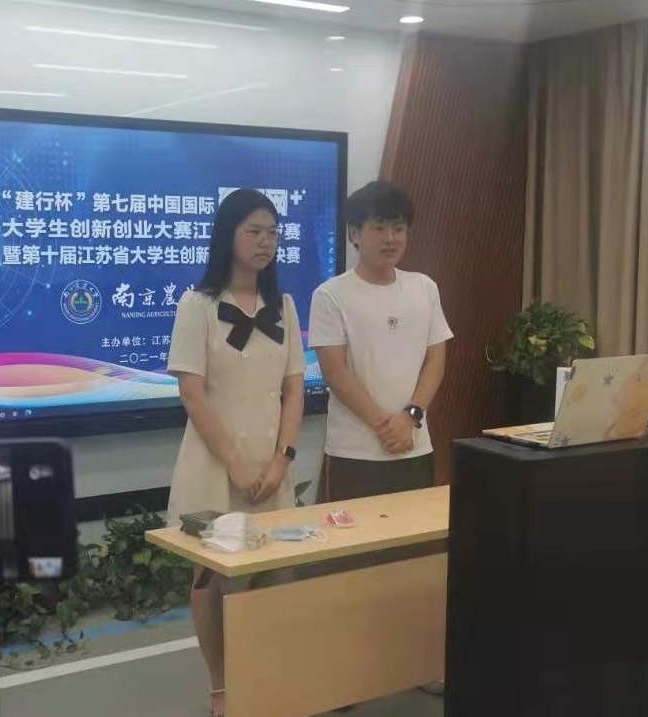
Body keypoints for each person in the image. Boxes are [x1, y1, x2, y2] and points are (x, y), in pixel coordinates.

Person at [309, 180, 452, 698]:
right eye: (379, 227)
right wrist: (381, 423)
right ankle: (348, 675)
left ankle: (417, 663)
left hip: (415, 447)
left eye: (399, 228)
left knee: (417, 561)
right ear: (354, 233)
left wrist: (410, 416)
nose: (391, 238)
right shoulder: (331, 295)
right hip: (355, 454)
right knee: (351, 564)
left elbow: (436, 357)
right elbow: (335, 371)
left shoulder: (423, 287)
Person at [166, 187, 306, 717]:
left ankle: (262, 676)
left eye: (272, 233)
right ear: (227, 235)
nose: (265, 242)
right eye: (254, 231)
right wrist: (237, 465)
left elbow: (294, 388)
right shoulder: (197, 305)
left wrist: (282, 458)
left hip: (272, 466)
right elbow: (192, 394)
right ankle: (222, 685)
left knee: (272, 574)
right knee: (210, 579)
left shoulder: (284, 306)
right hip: (213, 466)